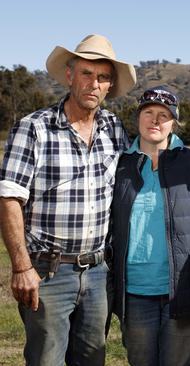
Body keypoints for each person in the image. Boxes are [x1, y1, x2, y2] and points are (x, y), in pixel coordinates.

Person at [0, 34, 135, 365]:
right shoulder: (34, 128)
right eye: (87, 73)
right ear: (70, 74)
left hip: (99, 270)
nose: (94, 83)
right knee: (47, 360)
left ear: (109, 86)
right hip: (47, 272)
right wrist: (21, 267)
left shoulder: (114, 129)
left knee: (92, 358)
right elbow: (8, 199)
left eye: (103, 77)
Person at [110, 85, 190, 366]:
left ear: (173, 122)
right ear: (137, 117)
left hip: (185, 289)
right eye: (148, 112)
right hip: (135, 292)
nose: (155, 120)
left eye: (163, 115)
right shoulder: (120, 165)